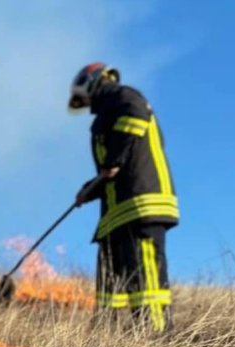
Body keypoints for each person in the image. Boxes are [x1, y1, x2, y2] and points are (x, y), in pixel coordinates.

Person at [70, 62, 179, 333]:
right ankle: (108, 338)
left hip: (141, 203)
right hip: (116, 213)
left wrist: (114, 159)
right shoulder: (106, 114)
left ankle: (156, 337)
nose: (87, 104)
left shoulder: (125, 97)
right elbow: (108, 172)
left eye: (85, 99)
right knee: (112, 278)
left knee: (146, 279)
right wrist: (88, 190)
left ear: (91, 81)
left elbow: (133, 118)